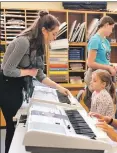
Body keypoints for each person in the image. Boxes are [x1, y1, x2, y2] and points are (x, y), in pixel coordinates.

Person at [0, 10, 70, 153]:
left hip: (19, 85)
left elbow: (39, 74)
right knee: (13, 127)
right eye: (54, 34)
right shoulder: (23, 42)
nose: (55, 38)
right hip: (7, 86)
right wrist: (28, 72)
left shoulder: (38, 46)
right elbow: (7, 70)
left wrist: (59, 88)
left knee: (19, 127)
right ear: (44, 30)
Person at [84, 16, 117, 109]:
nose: (111, 31)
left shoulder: (106, 42)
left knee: (107, 107)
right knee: (98, 109)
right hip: (96, 78)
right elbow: (90, 63)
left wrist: (111, 66)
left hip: (105, 77)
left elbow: (104, 61)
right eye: (111, 28)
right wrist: (108, 68)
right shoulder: (95, 40)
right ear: (106, 25)